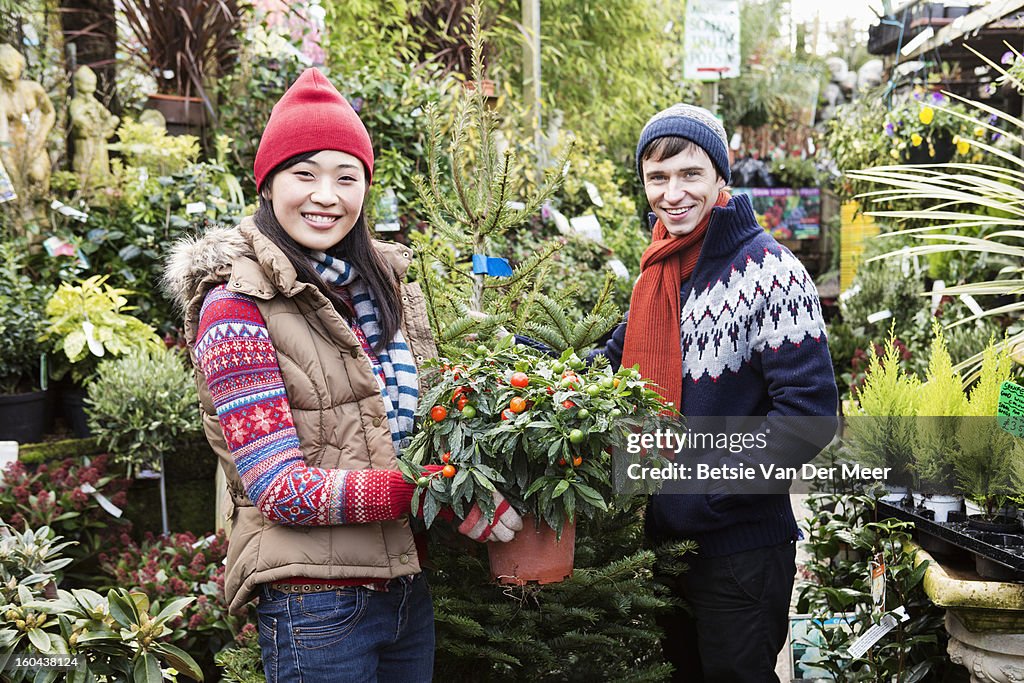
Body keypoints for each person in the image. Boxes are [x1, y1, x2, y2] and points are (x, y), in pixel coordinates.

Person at [163, 68, 521, 683]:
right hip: (314, 604)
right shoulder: (236, 309)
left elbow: (416, 427)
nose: (326, 195)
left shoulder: (382, 292)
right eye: (305, 174)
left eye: (346, 176)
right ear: (269, 183)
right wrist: (436, 491)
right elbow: (281, 488)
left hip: (406, 588)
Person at [599, 104, 838, 682]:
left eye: (689, 174)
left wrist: (700, 493)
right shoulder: (662, 273)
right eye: (658, 178)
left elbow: (808, 417)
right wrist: (530, 363)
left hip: (741, 554)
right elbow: (613, 366)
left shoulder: (771, 272)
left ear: (720, 179)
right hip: (666, 547)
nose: (672, 192)